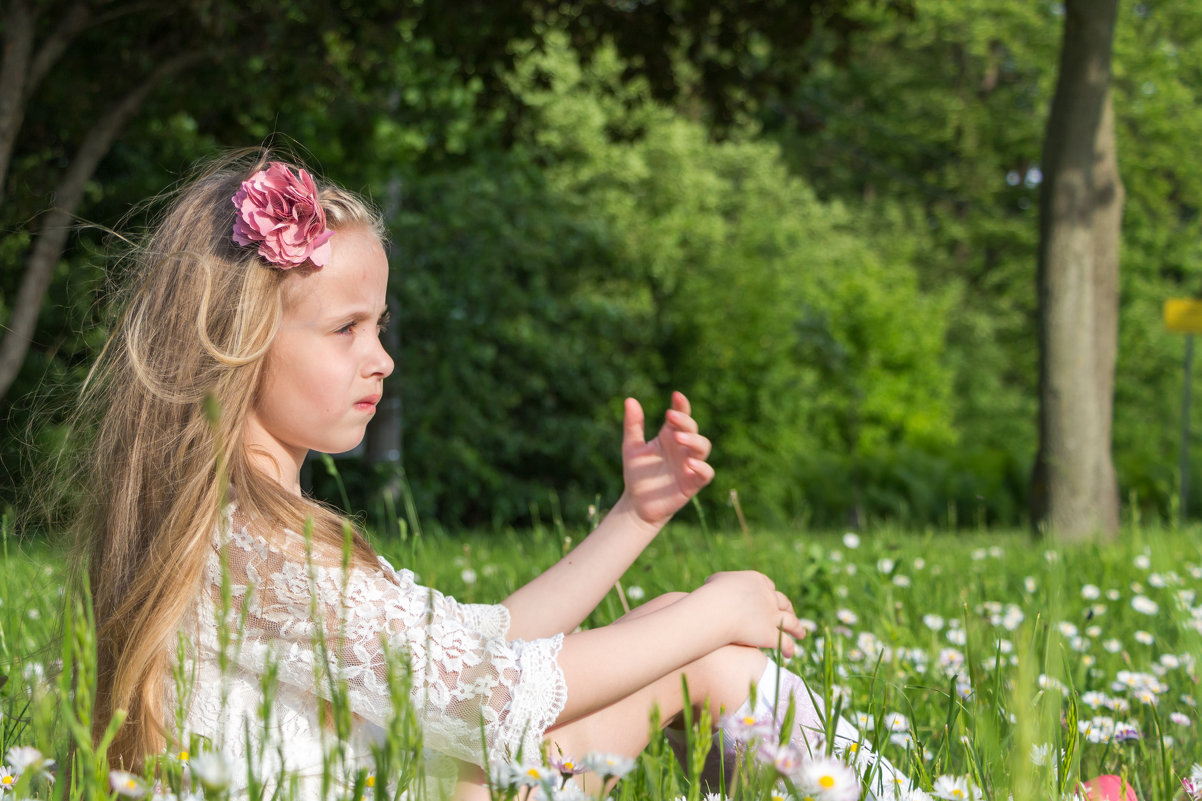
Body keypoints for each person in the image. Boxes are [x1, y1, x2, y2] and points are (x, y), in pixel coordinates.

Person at [71, 150, 907, 800]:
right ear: (239, 340)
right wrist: (720, 611)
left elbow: (470, 648)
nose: (382, 357)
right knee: (700, 652)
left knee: (670, 623)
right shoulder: (260, 549)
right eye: (347, 329)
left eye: (381, 324)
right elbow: (496, 694)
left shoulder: (245, 527)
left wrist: (635, 520)